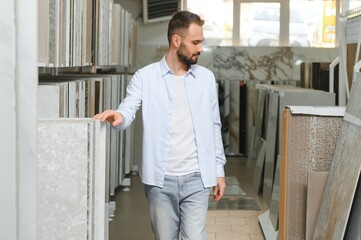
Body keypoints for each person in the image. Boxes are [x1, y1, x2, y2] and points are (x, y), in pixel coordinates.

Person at [94, 10, 227, 240]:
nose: (200, 48)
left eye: (201, 42)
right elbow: (128, 109)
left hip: (197, 178)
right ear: (176, 41)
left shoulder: (205, 79)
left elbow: (214, 125)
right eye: (195, 42)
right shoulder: (145, 77)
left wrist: (219, 171)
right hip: (160, 181)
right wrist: (118, 116)